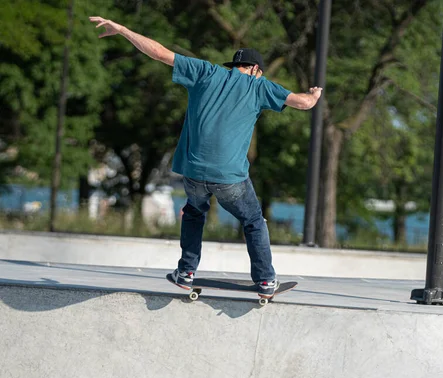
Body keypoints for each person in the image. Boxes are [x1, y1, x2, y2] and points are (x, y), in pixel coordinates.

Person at [90, 16, 322, 298]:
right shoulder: (259, 86)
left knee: (194, 212)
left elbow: (159, 52)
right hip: (229, 178)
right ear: (255, 70)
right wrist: (313, 95)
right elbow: (303, 103)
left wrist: (124, 30)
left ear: (235, 67)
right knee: (253, 221)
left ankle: (186, 272)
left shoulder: (204, 72)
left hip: (193, 173)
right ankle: (265, 281)